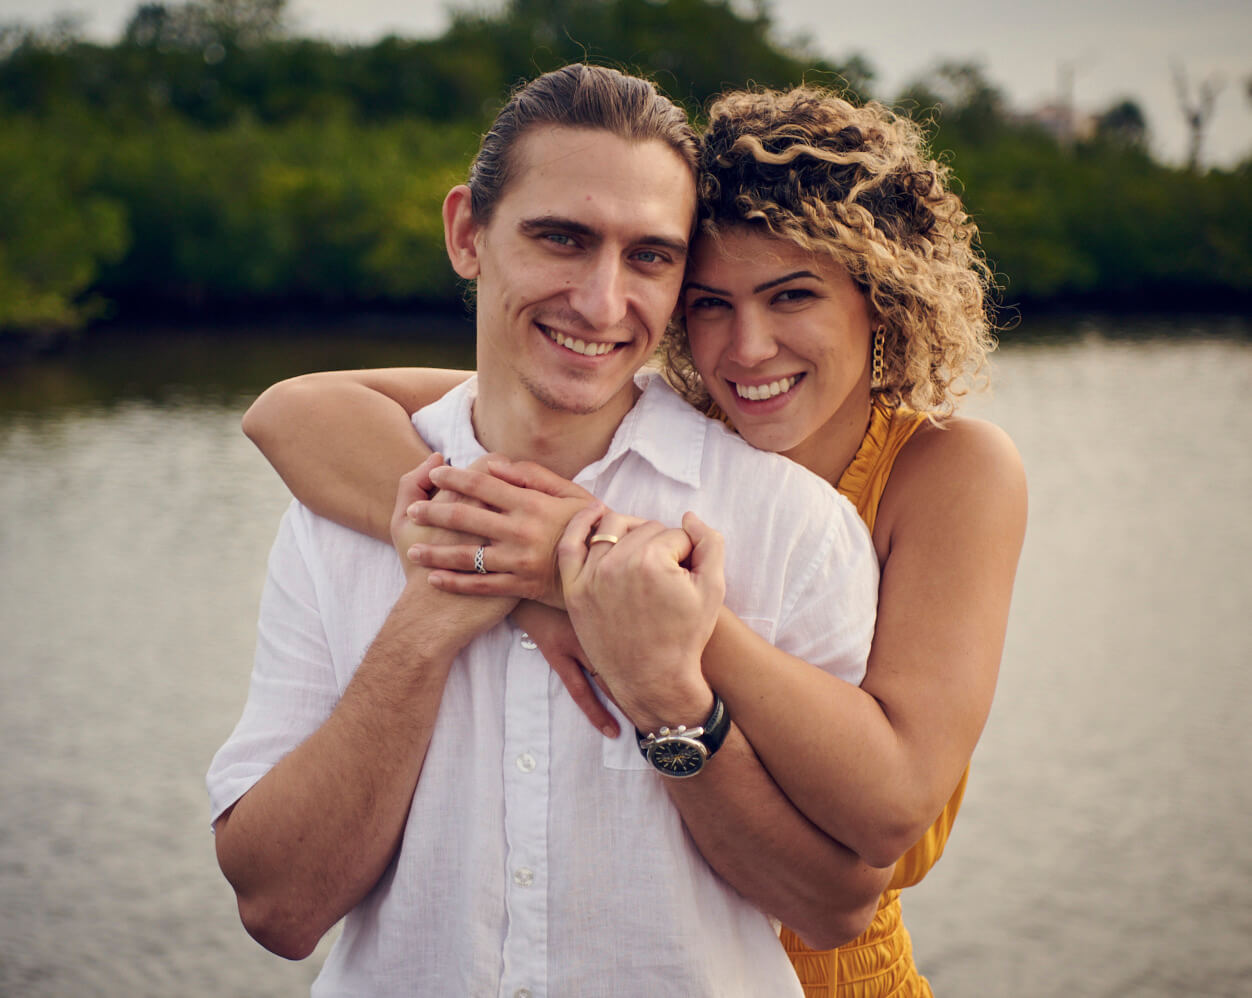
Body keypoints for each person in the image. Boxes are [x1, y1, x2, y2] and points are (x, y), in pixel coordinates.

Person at [242, 85, 1027, 996]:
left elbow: (891, 799)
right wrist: (532, 570)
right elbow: (292, 411)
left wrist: (599, 579)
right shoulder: (653, 404)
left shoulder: (943, 471)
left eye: (793, 296)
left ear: (882, 296)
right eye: (708, 303)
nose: (748, 348)